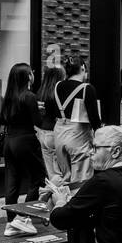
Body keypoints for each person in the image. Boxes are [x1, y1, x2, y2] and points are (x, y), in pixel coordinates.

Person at [1, 62, 48, 236]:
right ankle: (24, 218)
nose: (33, 75)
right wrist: (40, 110)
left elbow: (4, 120)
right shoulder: (29, 96)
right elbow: (38, 122)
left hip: (9, 141)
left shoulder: (9, 96)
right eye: (31, 72)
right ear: (27, 77)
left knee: (12, 182)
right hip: (26, 141)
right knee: (38, 178)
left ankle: (10, 222)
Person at [45, 56, 100, 184]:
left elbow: (51, 111)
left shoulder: (57, 86)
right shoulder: (87, 88)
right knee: (81, 178)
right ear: (82, 68)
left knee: (65, 177)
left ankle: (62, 201)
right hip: (78, 135)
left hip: (59, 133)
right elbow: (94, 119)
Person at [36, 66, 67, 183]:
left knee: (50, 172)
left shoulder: (41, 92)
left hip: (42, 133)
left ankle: (53, 195)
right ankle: (60, 197)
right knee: (59, 173)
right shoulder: (57, 94)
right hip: (54, 133)